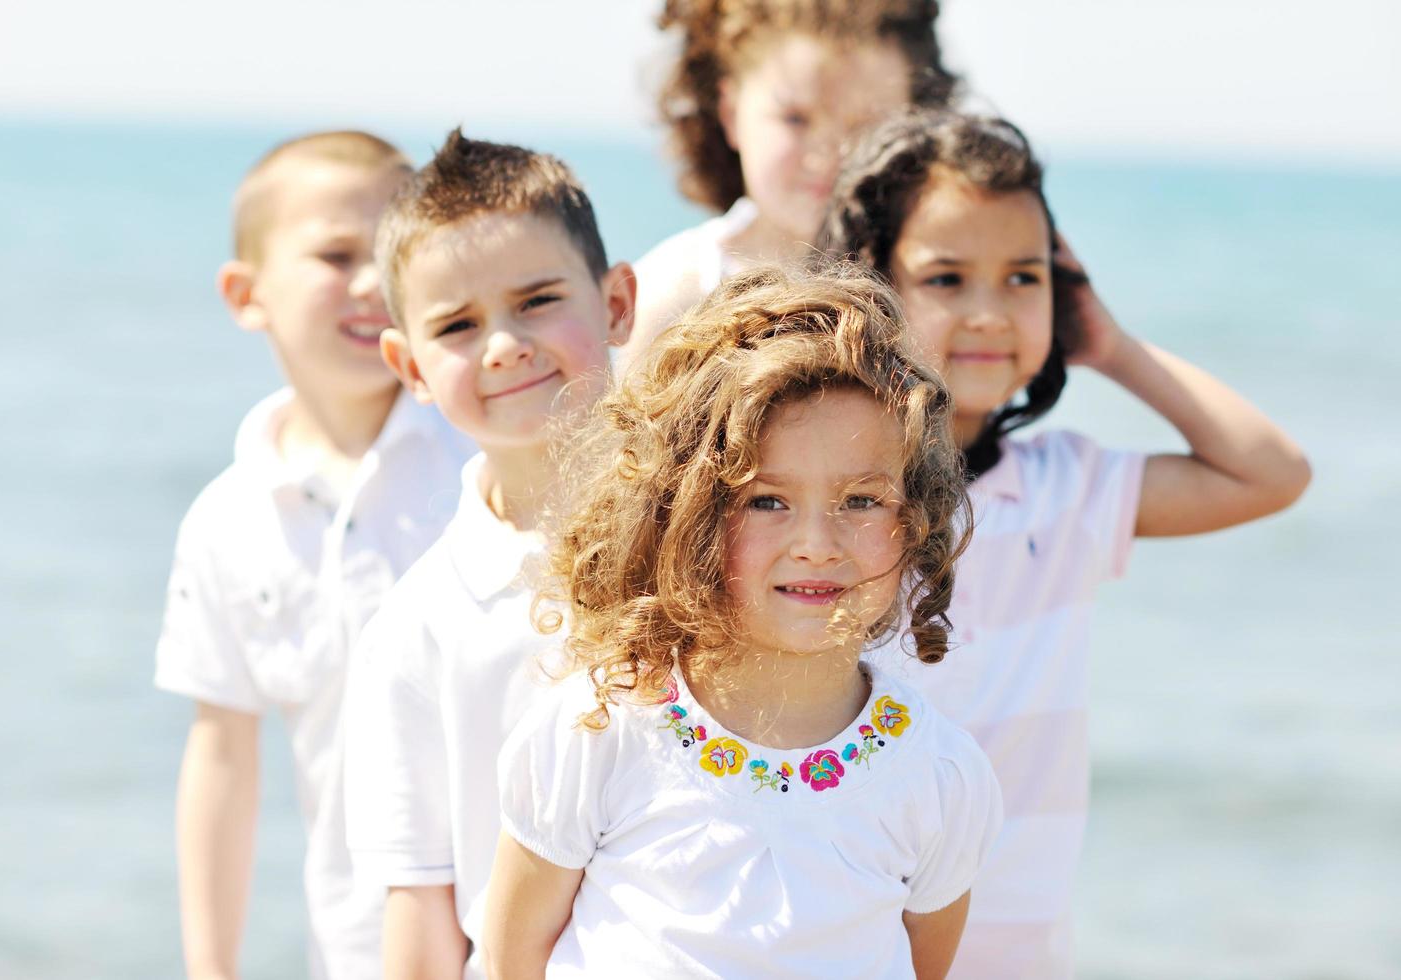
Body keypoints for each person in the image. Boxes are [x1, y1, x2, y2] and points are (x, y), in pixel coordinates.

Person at [819, 110, 1312, 977]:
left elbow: (1272, 472)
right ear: (872, 285)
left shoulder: (1069, 489)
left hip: (1018, 950)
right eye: (946, 277)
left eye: (1023, 277)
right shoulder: (831, 498)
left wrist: (1113, 347)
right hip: (845, 938)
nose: (988, 313)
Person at [484, 265, 1004, 980]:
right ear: (686, 515)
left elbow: (925, 966)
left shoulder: (939, 778)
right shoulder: (598, 731)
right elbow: (515, 960)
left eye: (861, 500)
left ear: (916, 518)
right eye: (767, 501)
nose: (818, 542)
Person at [154, 131, 473, 980]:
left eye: (390, 254)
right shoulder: (228, 519)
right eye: (336, 255)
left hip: (551, 934)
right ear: (245, 293)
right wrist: (210, 968)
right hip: (360, 944)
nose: (371, 281)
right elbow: (222, 757)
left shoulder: (482, 453)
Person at [341, 129, 636, 979]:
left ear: (616, 303)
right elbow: (422, 904)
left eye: (538, 299)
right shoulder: (417, 626)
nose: (503, 344)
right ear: (410, 366)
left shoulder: (720, 529)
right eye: (458, 325)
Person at [619, 0, 956, 366]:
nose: (831, 153)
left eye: (866, 125)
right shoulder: (674, 293)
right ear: (730, 113)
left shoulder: (941, 284)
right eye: (796, 118)